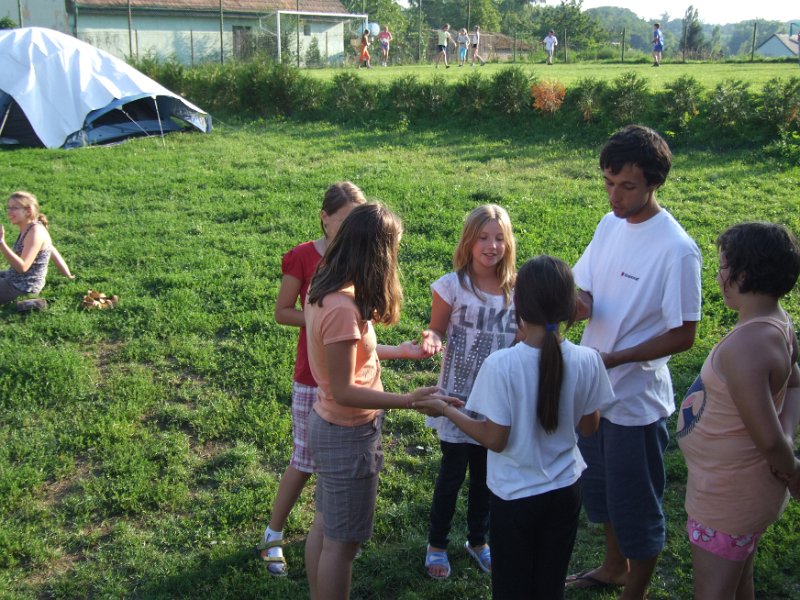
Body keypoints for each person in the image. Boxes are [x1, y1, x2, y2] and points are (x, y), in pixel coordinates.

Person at [415, 255, 616, 600]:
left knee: (512, 588)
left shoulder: (501, 365)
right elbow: (589, 427)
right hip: (566, 491)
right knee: (550, 584)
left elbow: (494, 439)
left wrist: (445, 410)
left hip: (515, 497)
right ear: (570, 307)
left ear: (518, 306)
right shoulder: (589, 359)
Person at [565, 125, 702, 599]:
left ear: (654, 183)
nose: (614, 196)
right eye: (608, 182)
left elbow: (684, 334)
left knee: (636, 505)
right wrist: (564, 308)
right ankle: (613, 567)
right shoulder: (609, 225)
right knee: (602, 493)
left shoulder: (677, 250)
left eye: (626, 186)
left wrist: (616, 358)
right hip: (593, 391)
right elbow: (587, 292)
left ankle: (635, 592)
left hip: (634, 403)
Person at [303, 202, 458, 600]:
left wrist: (399, 351)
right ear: (378, 252)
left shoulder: (328, 284)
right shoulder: (342, 308)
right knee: (342, 546)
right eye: (394, 249)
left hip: (330, 425)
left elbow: (348, 355)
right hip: (346, 433)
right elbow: (344, 389)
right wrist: (408, 400)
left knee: (325, 527)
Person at [676, 222, 800, 599]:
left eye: (722, 267)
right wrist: (787, 437)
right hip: (737, 490)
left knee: (713, 592)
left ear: (742, 276)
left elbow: (768, 441)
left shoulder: (748, 347)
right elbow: (795, 382)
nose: (718, 276)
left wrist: (791, 467)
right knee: (738, 581)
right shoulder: (776, 324)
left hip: (728, 498)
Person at [257, 182, 366, 576]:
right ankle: (272, 534)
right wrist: (322, 318)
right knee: (304, 459)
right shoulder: (304, 256)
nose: (351, 229)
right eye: (344, 220)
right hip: (311, 375)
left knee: (338, 464)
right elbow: (282, 311)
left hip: (351, 372)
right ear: (324, 218)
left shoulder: (359, 257)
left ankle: (331, 535)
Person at [419, 204, 518, 580]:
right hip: (456, 398)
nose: (492, 246)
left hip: (496, 400)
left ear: (508, 243)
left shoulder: (517, 289)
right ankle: (437, 544)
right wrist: (431, 338)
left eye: (499, 238)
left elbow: (523, 338)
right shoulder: (452, 286)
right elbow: (437, 328)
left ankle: (478, 541)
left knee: (485, 478)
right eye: (483, 238)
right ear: (469, 241)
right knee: (451, 476)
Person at [0, 190, 75, 305]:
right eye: (8, 208)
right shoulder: (30, 228)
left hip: (21, 288)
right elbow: (52, 251)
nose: (9, 212)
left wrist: (1, 243)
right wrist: (68, 275)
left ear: (28, 211)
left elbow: (22, 267)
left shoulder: (35, 232)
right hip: (14, 279)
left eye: (14, 208)